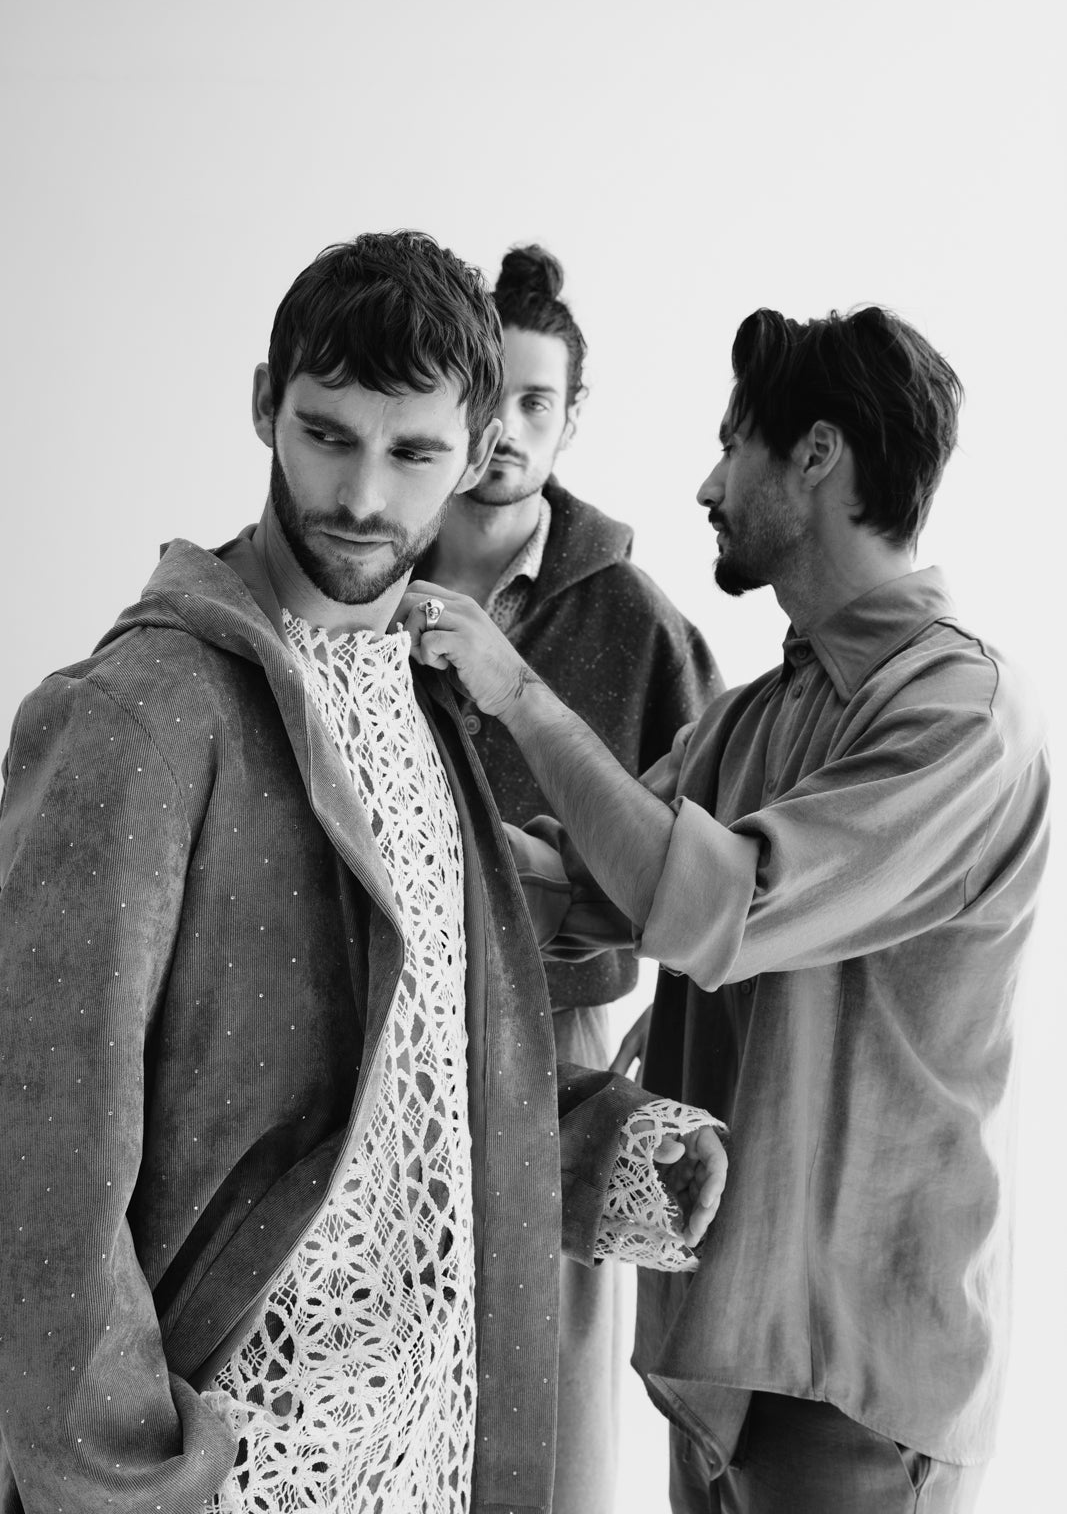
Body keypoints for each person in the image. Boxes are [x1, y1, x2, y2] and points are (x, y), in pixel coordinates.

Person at [0, 231, 729, 1514]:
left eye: (413, 454)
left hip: (436, 1447)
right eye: (326, 434)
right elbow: (37, 1157)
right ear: (263, 405)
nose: (360, 495)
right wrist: (131, 1481)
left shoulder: (429, 699)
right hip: (236, 1461)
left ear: (480, 449)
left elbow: (415, 1060)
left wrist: (601, 1146)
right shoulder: (139, 714)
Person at [399, 303, 1051, 1514]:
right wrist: (380, 824)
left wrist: (516, 692)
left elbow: (719, 904)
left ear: (815, 455)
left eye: (730, 445)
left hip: (854, 1381)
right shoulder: (752, 716)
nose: (706, 485)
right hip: (722, 1367)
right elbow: (580, 886)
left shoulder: (962, 715)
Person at [421, 243, 723, 1514]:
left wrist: (663, 1037)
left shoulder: (637, 620)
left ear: (570, 415)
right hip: (376, 1020)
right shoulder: (364, 573)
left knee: (545, 1394)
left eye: (536, 403)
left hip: (563, 1043)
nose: (506, 432)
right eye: (487, 401)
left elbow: (709, 867)